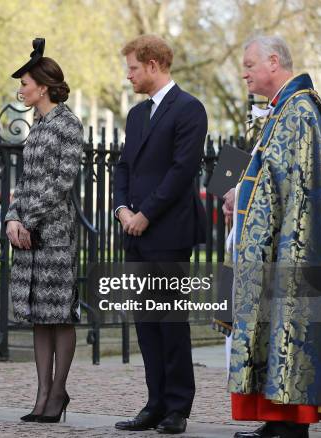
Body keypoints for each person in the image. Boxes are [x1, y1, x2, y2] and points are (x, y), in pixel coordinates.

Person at [224, 35, 321, 438]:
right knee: (273, 332)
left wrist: (244, 193)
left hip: (293, 245)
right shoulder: (285, 109)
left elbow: (288, 181)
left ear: (275, 62)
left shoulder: (299, 109)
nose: (244, 72)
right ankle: (277, 422)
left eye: (250, 64)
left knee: (287, 331)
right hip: (277, 242)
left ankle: (290, 426)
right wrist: (242, 193)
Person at [113, 35, 207, 434]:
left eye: (133, 67)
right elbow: (122, 168)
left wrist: (146, 214)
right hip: (134, 232)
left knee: (170, 320)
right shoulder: (136, 116)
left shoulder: (189, 109)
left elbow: (181, 171)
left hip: (168, 231)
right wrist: (121, 209)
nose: (129, 75)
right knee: (146, 322)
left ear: (153, 65)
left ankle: (177, 407)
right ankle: (154, 402)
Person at [5, 38, 83, 424]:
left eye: (25, 84)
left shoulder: (67, 124)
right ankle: (42, 394)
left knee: (59, 314)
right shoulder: (36, 126)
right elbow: (26, 180)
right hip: (29, 233)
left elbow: (61, 182)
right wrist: (12, 218)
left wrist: (28, 219)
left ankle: (57, 392)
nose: (21, 90)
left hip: (54, 234)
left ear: (44, 86)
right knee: (39, 315)